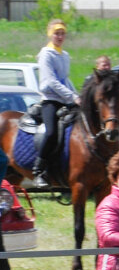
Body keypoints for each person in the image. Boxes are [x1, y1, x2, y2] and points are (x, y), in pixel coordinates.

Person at [32, 19, 80, 188]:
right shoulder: (46, 54)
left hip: (65, 99)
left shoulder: (65, 55)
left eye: (62, 33)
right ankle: (39, 169)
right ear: (50, 34)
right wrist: (72, 97)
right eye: (56, 33)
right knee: (51, 132)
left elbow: (65, 79)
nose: (60, 36)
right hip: (50, 100)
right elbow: (51, 81)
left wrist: (76, 96)